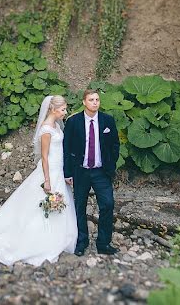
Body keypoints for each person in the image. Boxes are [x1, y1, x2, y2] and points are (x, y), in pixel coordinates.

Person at [0, 95, 77, 265]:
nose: (65, 112)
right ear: (53, 109)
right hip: (49, 171)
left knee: (61, 203)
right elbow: (44, 156)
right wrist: (47, 180)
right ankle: (39, 240)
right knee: (42, 204)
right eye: (63, 109)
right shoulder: (47, 129)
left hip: (59, 169)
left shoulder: (56, 126)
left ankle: (59, 238)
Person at [63, 89, 120, 256]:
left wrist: (111, 163)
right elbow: (67, 148)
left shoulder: (107, 120)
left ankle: (103, 243)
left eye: (97, 99)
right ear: (84, 102)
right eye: (91, 100)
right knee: (79, 206)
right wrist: (68, 172)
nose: (95, 102)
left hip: (101, 171)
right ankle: (81, 242)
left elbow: (115, 144)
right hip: (80, 171)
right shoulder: (73, 121)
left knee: (108, 204)